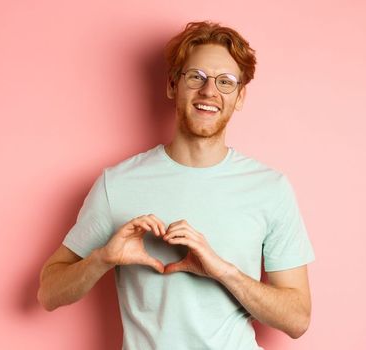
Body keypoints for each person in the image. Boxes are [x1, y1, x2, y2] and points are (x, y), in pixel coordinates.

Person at [37, 20, 315, 350]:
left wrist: (223, 271)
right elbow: (48, 293)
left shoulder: (270, 188)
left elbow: (297, 320)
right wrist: (103, 259)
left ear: (240, 97)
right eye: (196, 76)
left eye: (225, 82)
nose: (209, 91)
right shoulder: (118, 183)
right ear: (172, 85)